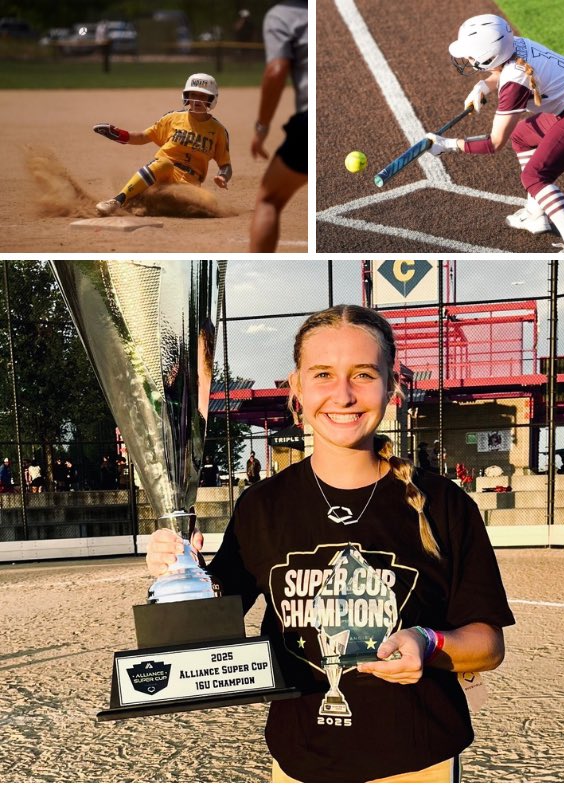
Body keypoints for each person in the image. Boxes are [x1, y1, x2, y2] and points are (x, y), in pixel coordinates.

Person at [145, 304, 514, 782]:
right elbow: (207, 627)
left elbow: (488, 644)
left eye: (363, 374)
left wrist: (428, 642)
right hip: (301, 764)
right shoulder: (262, 506)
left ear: (392, 385)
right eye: (323, 374)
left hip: (417, 761)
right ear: (296, 387)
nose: (343, 395)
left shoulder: (443, 504)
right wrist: (180, 574)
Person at [425, 14, 564, 254]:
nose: (466, 58)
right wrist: (483, 85)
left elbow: (493, 143)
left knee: (535, 177)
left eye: (471, 55)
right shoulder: (515, 44)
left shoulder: (514, 85)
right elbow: (502, 69)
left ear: (488, 55)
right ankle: (536, 215)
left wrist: (448, 144)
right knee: (523, 135)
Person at [92, 73, 231, 216]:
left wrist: (223, 177)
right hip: (164, 173)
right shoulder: (173, 118)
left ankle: (150, 202)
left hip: (190, 182)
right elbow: (142, 136)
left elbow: (225, 165)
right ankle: (117, 201)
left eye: (202, 96)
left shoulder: (218, 131)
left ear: (211, 99)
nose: (196, 100)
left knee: (210, 204)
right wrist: (117, 134)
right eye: (193, 94)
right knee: (164, 163)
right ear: (186, 96)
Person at [249, 0, 308, 252]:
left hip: (309, 122)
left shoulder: (281, 14)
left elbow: (276, 70)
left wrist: (261, 128)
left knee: (269, 200)